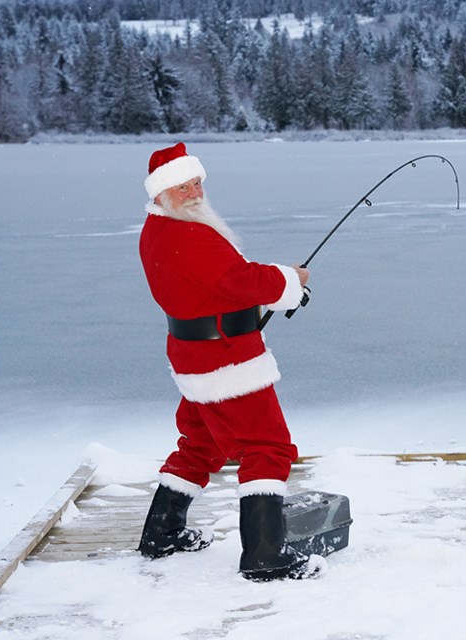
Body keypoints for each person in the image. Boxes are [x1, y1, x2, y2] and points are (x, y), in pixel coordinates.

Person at [136, 142, 315, 581]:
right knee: (267, 446)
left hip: (193, 357)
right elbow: (239, 279)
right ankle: (264, 555)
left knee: (202, 442)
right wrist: (290, 281)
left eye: (197, 181)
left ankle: (162, 533)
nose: (193, 191)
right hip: (227, 363)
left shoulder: (157, 229)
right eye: (181, 186)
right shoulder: (190, 235)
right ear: (161, 192)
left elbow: (213, 287)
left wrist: (268, 287)